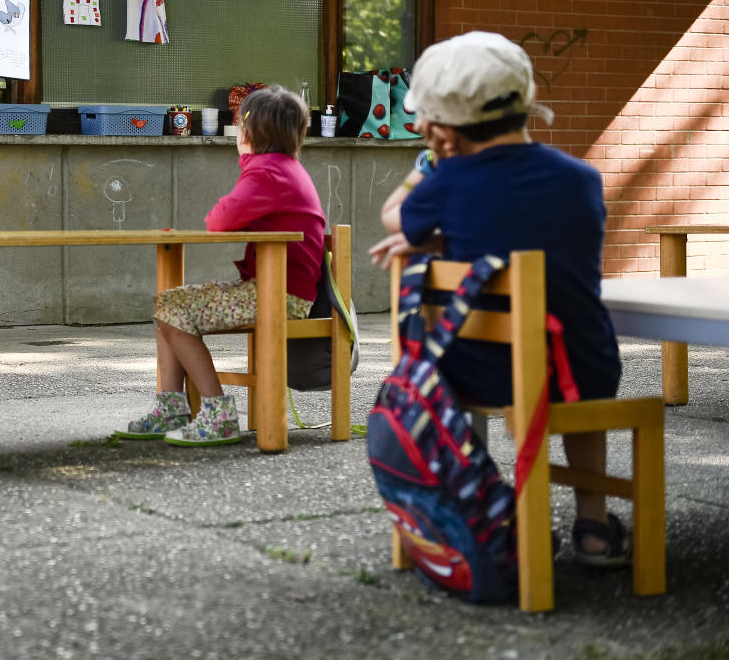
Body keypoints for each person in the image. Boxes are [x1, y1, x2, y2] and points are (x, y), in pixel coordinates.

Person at [367, 30, 629, 566]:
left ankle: (481, 513)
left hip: (476, 372)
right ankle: (595, 526)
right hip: (578, 370)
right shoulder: (582, 179)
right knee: (586, 378)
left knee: (479, 358)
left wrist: (427, 170)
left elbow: (394, 217)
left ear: (441, 126)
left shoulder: (449, 179)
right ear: (526, 101)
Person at [116, 86, 326, 446]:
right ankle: (173, 407)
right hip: (286, 291)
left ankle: (216, 412)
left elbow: (218, 220)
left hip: (278, 296)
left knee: (171, 306)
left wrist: (246, 160)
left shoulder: (266, 172)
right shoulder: (287, 169)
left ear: (249, 132)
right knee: (170, 303)